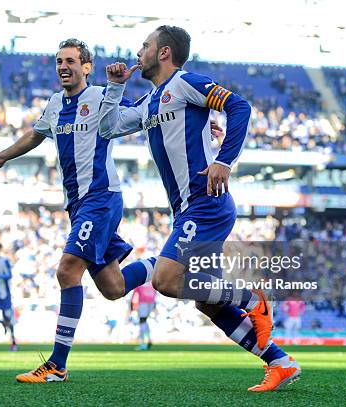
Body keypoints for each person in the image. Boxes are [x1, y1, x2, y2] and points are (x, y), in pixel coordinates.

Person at [98, 25, 301, 392]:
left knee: (165, 280)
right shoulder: (149, 102)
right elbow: (109, 127)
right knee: (207, 303)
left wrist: (225, 161)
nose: (138, 51)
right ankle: (280, 362)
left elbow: (240, 106)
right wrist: (115, 88)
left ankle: (250, 297)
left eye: (145, 46)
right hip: (188, 210)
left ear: (163, 53)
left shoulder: (185, 83)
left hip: (206, 204)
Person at [0, 38, 157, 382]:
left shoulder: (102, 96)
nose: (63, 66)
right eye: (59, 61)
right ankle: (161, 264)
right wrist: (3, 154)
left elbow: (140, 114)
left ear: (86, 67)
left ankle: (57, 364)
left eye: (71, 61)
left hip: (100, 196)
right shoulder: (55, 104)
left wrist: (185, 120)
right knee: (113, 287)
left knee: (67, 271)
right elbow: (36, 134)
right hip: (77, 205)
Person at [131, 282, 156, 350]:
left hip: (143, 304)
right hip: (151, 304)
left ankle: (143, 343)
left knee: (142, 323)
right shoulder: (151, 283)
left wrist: (131, 308)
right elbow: (154, 295)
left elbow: (134, 296)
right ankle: (149, 340)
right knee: (145, 323)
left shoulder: (139, 283)